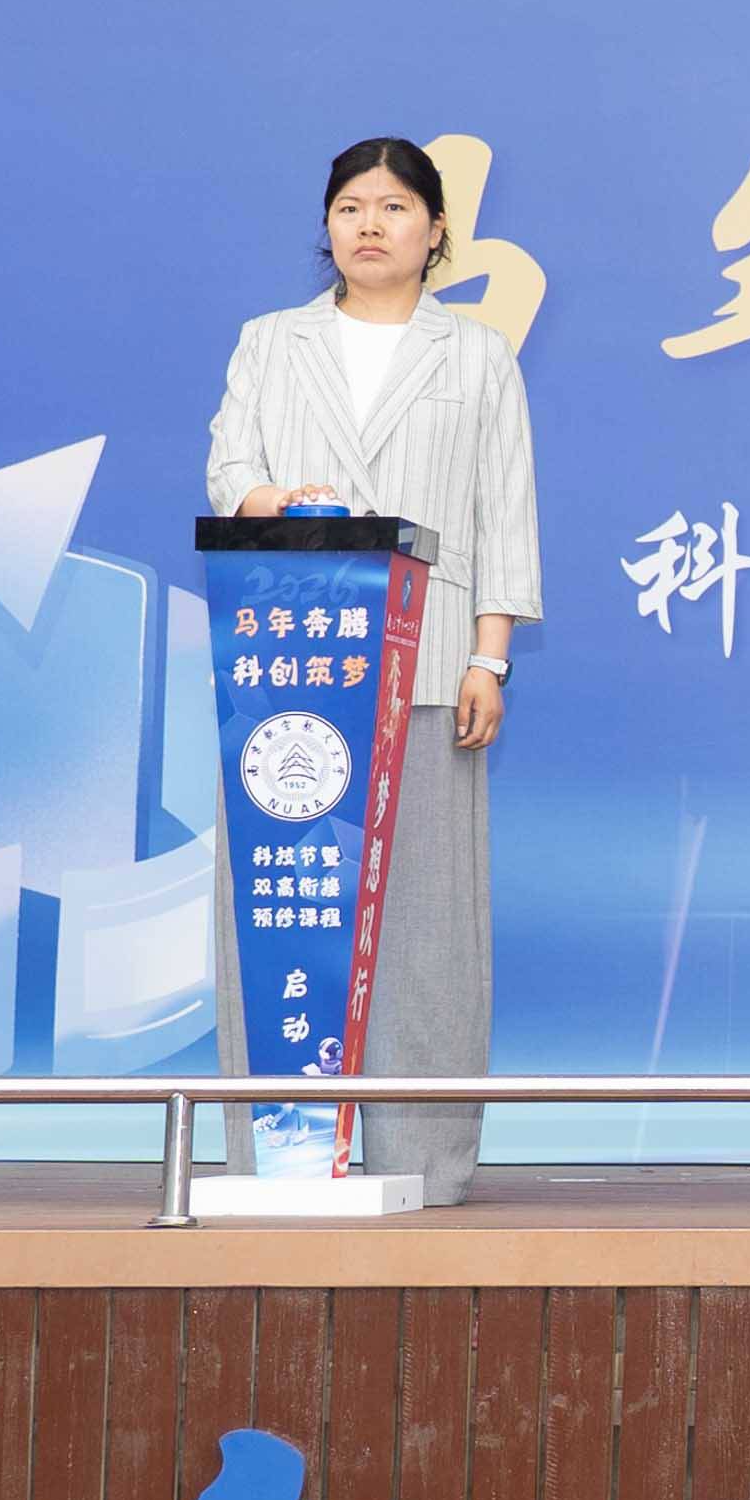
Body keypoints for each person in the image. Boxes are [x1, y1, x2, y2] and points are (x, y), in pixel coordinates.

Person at [206, 138, 545, 1207]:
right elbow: (227, 468)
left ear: (435, 231)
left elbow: (505, 511)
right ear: (327, 224)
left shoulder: (477, 353)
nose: (369, 224)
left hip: (430, 659)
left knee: (427, 924)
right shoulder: (272, 341)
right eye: (350, 205)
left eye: (395, 207)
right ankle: (279, 1144)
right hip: (291, 665)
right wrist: (275, 502)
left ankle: (423, 1156)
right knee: (280, 907)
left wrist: (490, 654)